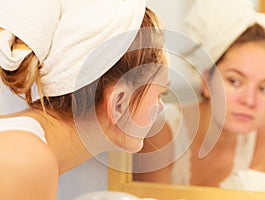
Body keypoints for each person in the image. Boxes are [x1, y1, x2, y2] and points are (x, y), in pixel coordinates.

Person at [0, 0, 170, 199]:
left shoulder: (24, 147)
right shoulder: (25, 160)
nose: (160, 107)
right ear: (119, 102)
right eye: (160, 94)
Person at [133, 0, 265, 193]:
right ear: (206, 80)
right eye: (235, 81)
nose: (249, 100)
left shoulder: (264, 135)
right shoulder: (160, 133)